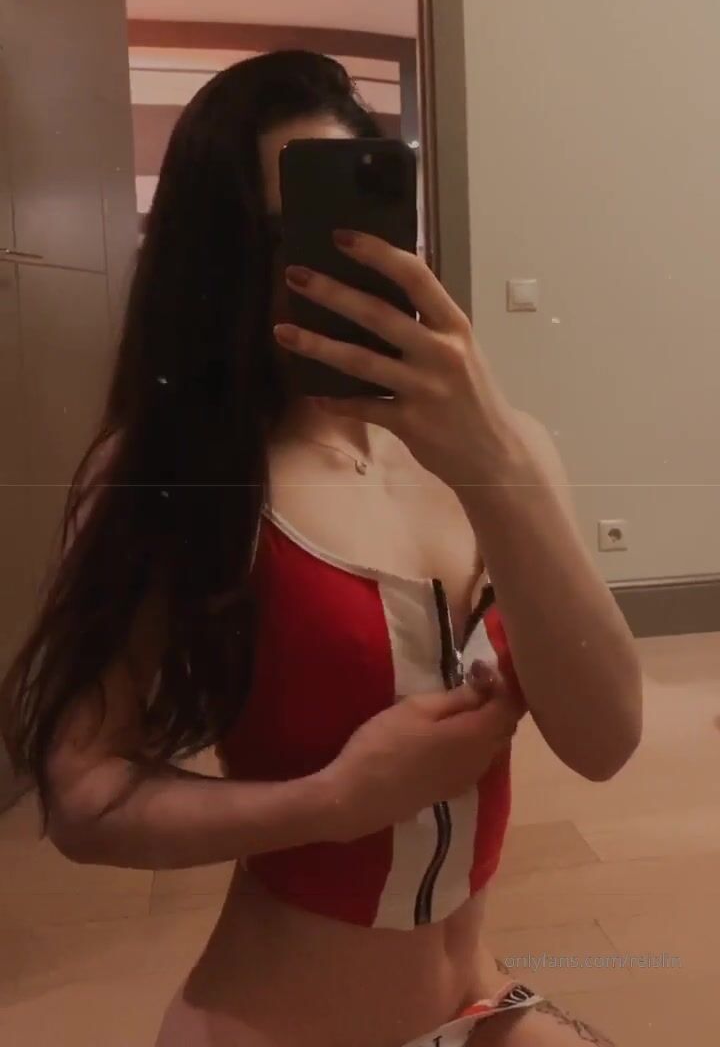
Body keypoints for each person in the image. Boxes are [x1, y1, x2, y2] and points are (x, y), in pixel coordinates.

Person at [0, 52, 641, 1047]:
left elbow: (606, 740)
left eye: (357, 226)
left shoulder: (504, 452)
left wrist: (498, 468)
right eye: (281, 236)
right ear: (216, 260)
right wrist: (335, 801)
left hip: (480, 1003)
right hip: (271, 1020)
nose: (326, 266)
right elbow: (82, 797)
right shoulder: (173, 469)